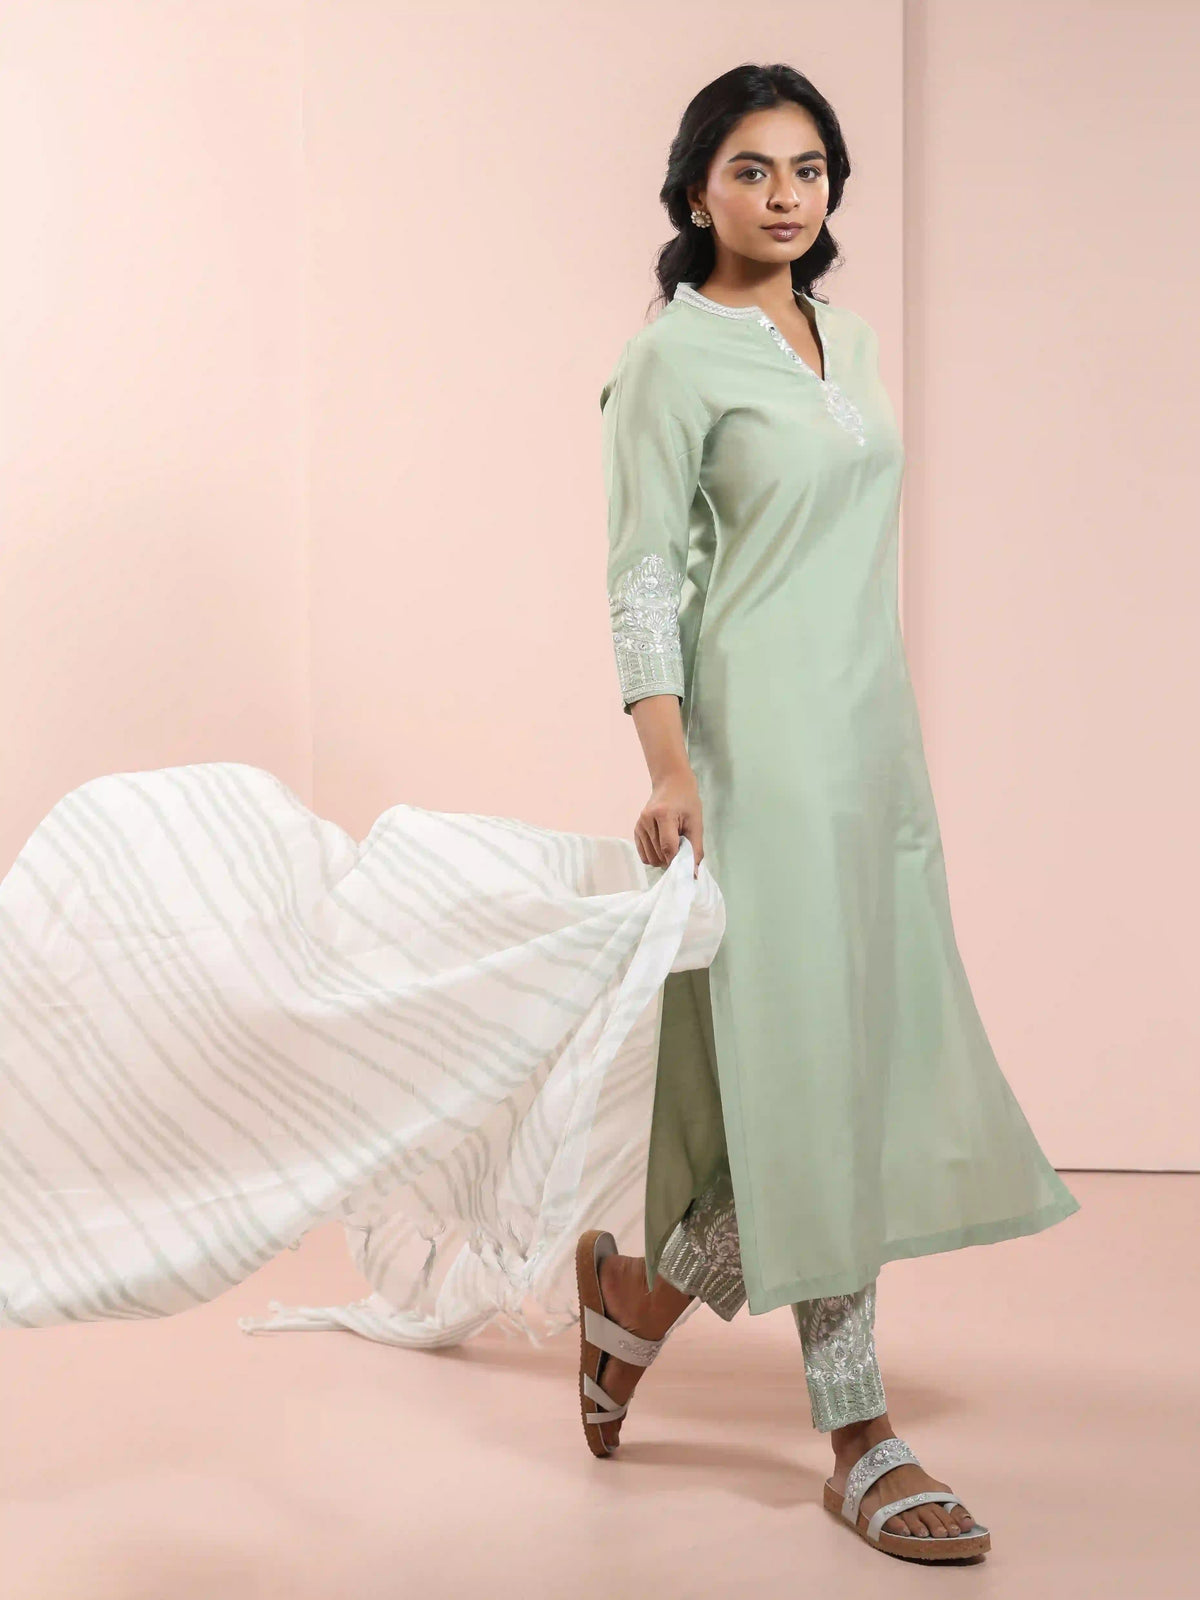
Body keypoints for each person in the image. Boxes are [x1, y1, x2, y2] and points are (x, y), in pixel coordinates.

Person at [574, 63, 1079, 1564]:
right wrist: (670, 768)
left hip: (870, 754)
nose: (785, 194)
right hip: (756, 762)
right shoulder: (669, 360)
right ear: (696, 189)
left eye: (808, 168)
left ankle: (626, 1306)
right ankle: (858, 1438)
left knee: (829, 1079)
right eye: (752, 169)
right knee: (803, 1078)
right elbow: (644, 574)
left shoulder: (843, 339)